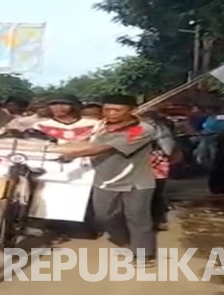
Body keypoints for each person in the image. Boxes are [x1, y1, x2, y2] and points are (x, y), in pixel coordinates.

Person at [61, 94, 157, 263]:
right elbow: (85, 141)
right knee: (104, 216)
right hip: (104, 179)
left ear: (132, 110)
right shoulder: (101, 126)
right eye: (107, 109)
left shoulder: (142, 129)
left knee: (137, 217)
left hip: (136, 181)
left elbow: (106, 147)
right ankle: (128, 243)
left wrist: (74, 154)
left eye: (117, 110)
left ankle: (143, 254)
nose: (111, 113)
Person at [140, 111, 176, 231]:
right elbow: (168, 148)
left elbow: (168, 148)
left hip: (152, 164)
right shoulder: (160, 128)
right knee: (156, 193)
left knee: (153, 193)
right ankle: (156, 220)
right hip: (152, 164)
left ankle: (155, 220)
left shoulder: (156, 128)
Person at [31, 94, 100, 143]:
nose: (59, 107)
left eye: (65, 104)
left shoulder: (93, 124)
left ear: (74, 106)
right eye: (54, 104)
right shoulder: (40, 126)